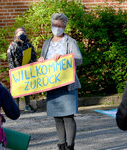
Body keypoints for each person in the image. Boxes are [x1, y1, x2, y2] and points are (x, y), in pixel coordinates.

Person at [37, 13, 83, 150]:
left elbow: (79, 60)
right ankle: (61, 145)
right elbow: (43, 62)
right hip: (52, 85)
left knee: (68, 116)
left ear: (64, 26)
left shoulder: (70, 42)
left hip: (67, 85)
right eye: (54, 25)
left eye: (59, 25)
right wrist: (40, 61)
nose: (56, 28)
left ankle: (70, 146)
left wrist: (63, 58)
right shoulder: (47, 43)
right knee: (57, 117)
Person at [7, 27, 37, 111]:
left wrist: (30, 64)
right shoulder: (12, 46)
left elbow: (33, 57)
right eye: (19, 33)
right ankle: (16, 106)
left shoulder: (28, 45)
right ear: (15, 35)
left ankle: (27, 104)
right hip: (16, 70)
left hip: (27, 70)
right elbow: (10, 59)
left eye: (23, 33)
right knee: (17, 88)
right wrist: (13, 70)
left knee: (27, 87)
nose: (21, 35)